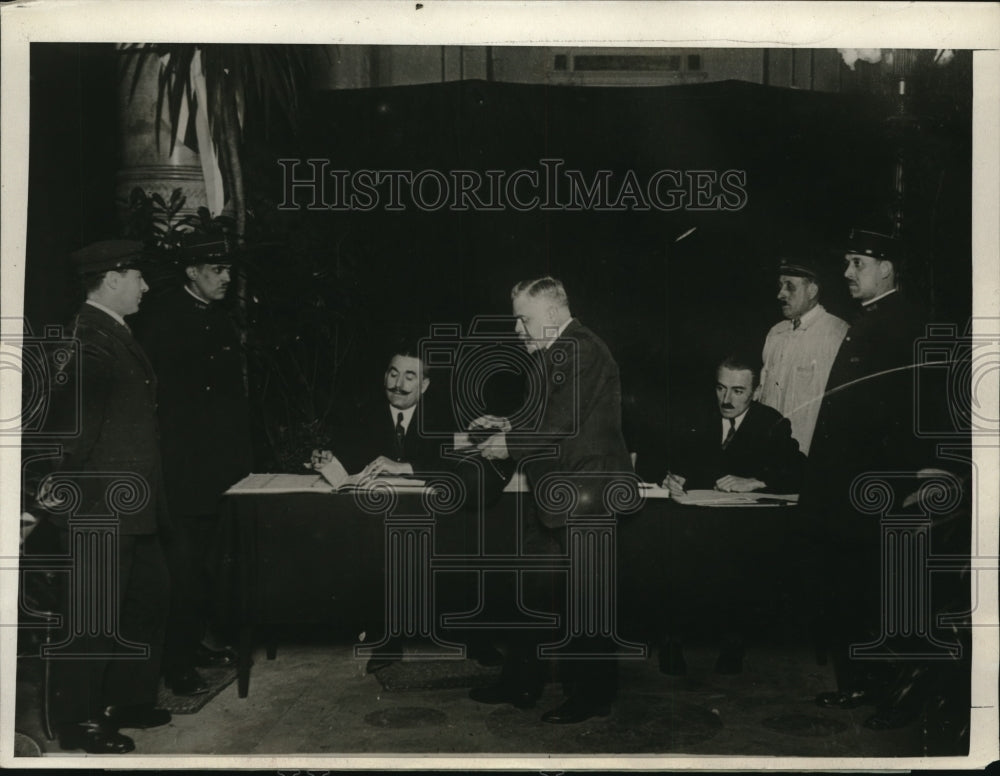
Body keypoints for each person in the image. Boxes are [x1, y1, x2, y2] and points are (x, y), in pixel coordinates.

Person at [469, 276, 633, 724]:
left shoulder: (580, 349)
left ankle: (592, 695)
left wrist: (509, 443)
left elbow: (560, 421)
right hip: (557, 496)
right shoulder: (554, 352)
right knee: (535, 594)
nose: (518, 330)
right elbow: (551, 415)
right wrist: (506, 423)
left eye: (524, 319)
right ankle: (521, 681)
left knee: (586, 602)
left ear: (555, 313)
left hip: (587, 496)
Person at [36, 240, 172, 754]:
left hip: (134, 504)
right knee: (92, 616)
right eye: (138, 277)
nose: (145, 286)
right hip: (100, 506)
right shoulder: (86, 340)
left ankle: (127, 700)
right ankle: (79, 721)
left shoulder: (111, 332)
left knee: (148, 597)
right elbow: (73, 431)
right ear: (111, 279)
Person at [802, 228, 932, 729]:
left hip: (875, 488)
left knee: (875, 593)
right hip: (850, 488)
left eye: (858, 263)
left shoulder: (901, 323)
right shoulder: (873, 320)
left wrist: (898, 484)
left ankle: (894, 698)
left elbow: (904, 414)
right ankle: (862, 684)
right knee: (853, 591)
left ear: (886, 268)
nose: (848, 272)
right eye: (848, 262)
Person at [136, 234, 250, 696]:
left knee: (208, 566)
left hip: (218, 470)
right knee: (181, 569)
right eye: (216, 271)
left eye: (228, 270)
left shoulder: (220, 319)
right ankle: (176, 662)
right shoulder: (161, 319)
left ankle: (195, 642)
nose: (226, 279)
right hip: (181, 472)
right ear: (191, 272)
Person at [662, 354, 805, 497]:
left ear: (756, 393)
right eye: (721, 388)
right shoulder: (698, 417)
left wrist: (756, 482)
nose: (726, 399)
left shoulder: (770, 423)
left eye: (737, 391)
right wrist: (675, 479)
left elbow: (802, 473)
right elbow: (677, 463)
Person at [759, 255, 848, 455]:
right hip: (768, 455)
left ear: (812, 290)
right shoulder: (776, 333)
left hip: (807, 455)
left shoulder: (836, 333)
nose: (780, 294)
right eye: (780, 286)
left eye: (789, 286)